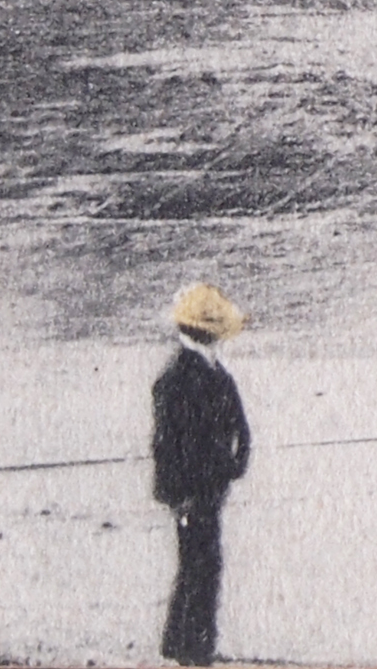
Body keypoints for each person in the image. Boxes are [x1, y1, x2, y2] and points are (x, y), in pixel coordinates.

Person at [153, 283, 253, 666]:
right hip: (192, 489)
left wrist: (235, 464)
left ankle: (179, 640)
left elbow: (239, 427)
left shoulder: (215, 374)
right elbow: (166, 446)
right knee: (202, 563)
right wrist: (178, 496)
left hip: (210, 485)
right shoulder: (176, 379)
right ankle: (193, 647)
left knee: (197, 561)